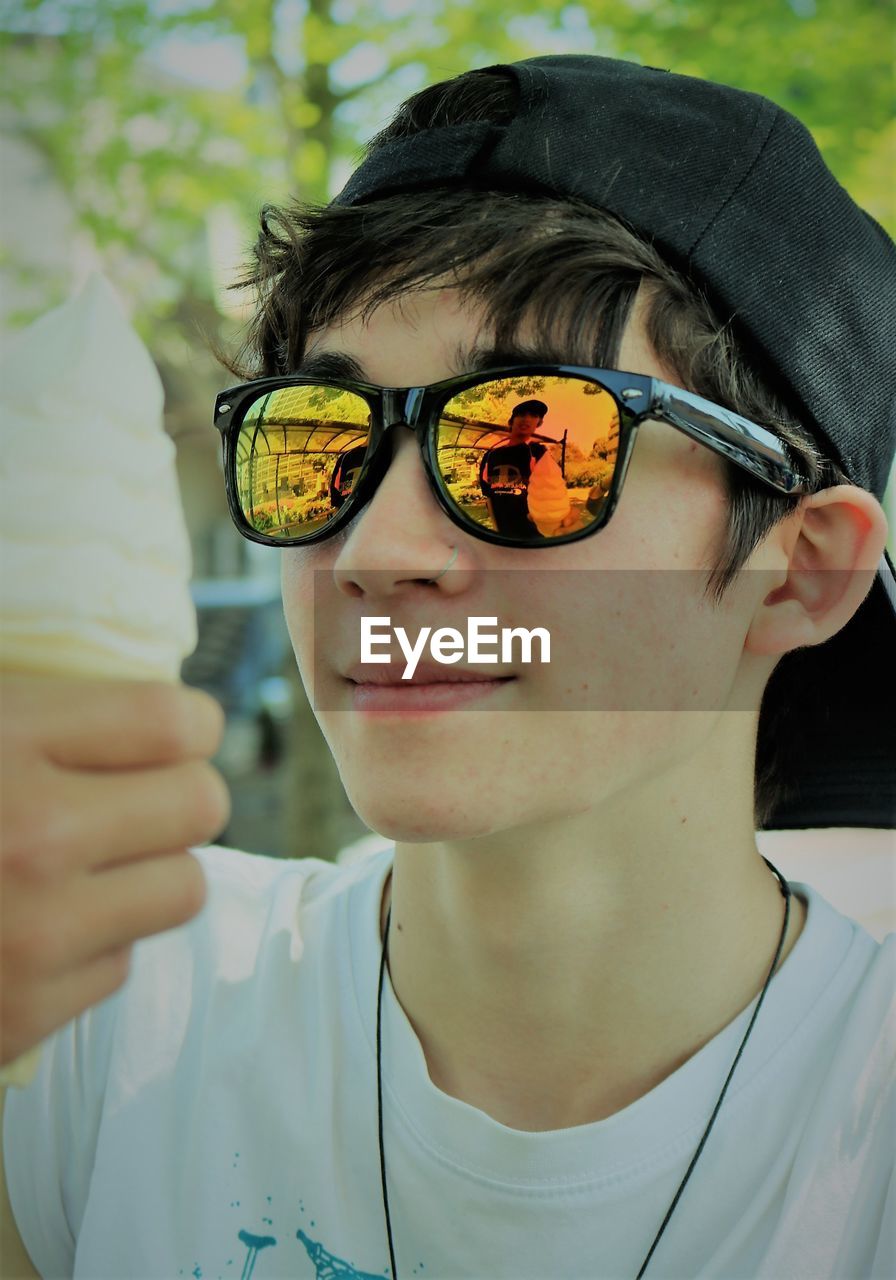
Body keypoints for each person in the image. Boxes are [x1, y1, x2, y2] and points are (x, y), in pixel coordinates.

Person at [3, 54, 895, 1280]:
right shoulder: (95, 999)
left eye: (526, 445)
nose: (372, 550)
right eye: (317, 442)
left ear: (798, 570)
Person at [478, 399, 548, 535]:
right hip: (503, 533)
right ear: (511, 421)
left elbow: (549, 496)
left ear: (539, 423)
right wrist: (497, 530)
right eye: (522, 414)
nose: (527, 419)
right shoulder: (491, 455)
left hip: (534, 534)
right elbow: (489, 497)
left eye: (533, 415)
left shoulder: (539, 453)